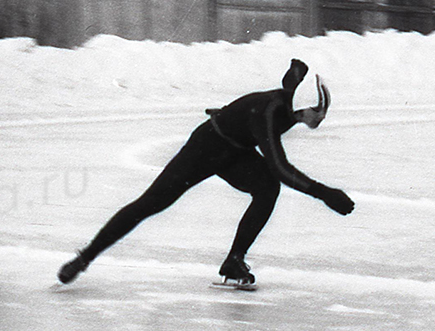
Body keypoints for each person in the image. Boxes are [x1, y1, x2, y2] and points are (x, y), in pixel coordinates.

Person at [57, 59, 356, 288]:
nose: (321, 116)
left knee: (267, 189)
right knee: (151, 203)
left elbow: (293, 74)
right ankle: (85, 257)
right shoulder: (268, 113)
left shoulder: (291, 104)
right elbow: (279, 166)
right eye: (319, 111)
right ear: (303, 108)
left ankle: (233, 261)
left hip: (235, 152)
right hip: (205, 149)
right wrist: (325, 193)